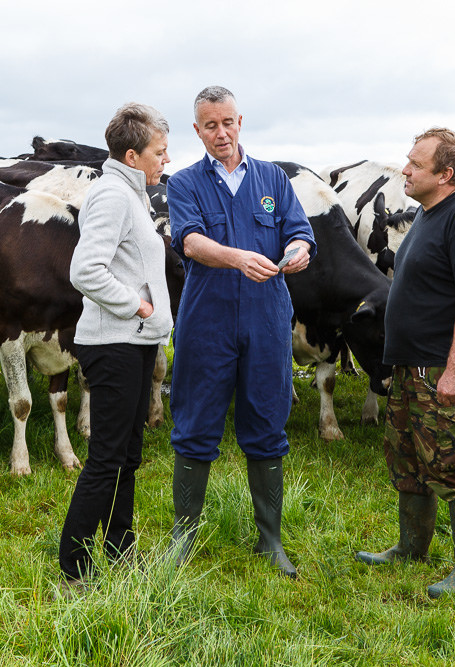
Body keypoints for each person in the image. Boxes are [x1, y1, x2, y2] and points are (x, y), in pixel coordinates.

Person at [166, 86, 315, 578]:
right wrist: (236, 258)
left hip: (267, 317)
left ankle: (270, 540)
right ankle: (183, 535)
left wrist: (297, 251)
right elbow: (187, 240)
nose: (221, 133)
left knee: (267, 422)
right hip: (207, 319)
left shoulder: (273, 177)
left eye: (227, 122)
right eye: (210, 125)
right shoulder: (185, 182)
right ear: (197, 131)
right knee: (194, 423)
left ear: (240, 121)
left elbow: (299, 229)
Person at [354, 127, 455, 598]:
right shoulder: (427, 214)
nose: (406, 169)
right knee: (410, 461)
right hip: (408, 367)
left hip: (441, 367)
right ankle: (411, 548)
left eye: (416, 163)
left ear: (446, 174)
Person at [59, 102, 174, 591]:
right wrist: (139, 307)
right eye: (158, 152)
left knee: (128, 455)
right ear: (132, 155)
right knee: (107, 457)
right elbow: (85, 271)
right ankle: (74, 569)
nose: (164, 161)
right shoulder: (112, 195)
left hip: (135, 342)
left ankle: (119, 549)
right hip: (115, 343)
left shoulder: (133, 193)